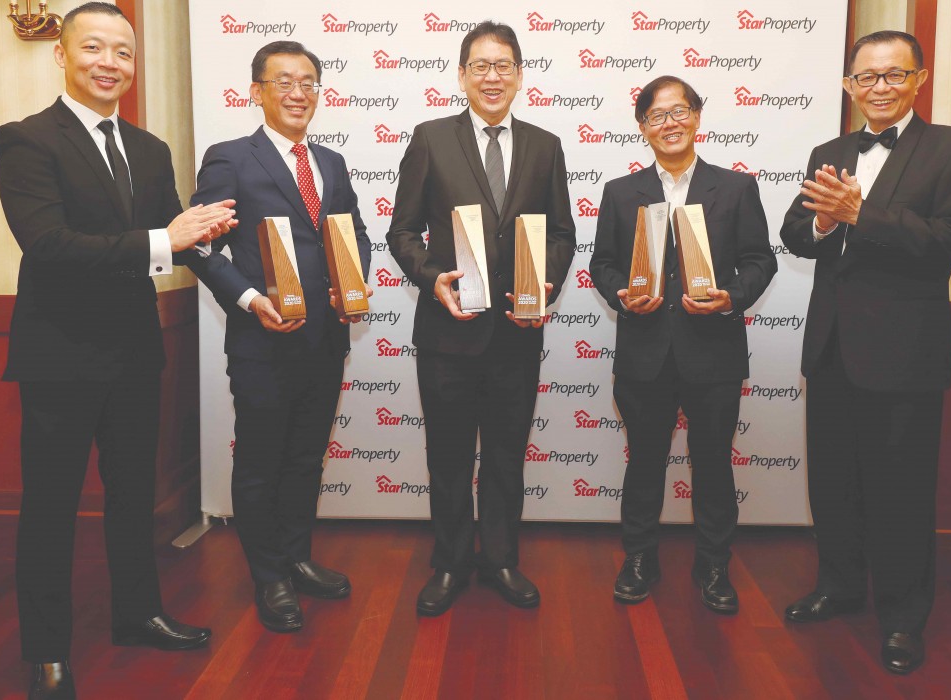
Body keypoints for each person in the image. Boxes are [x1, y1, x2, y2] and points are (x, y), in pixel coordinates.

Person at [0, 3, 236, 698]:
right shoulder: (26, 140)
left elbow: (172, 238)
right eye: (94, 48)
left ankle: (139, 613)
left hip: (134, 352)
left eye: (123, 52)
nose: (110, 62)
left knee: (134, 499)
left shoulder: (151, 149)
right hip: (60, 359)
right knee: (50, 507)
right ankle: (45, 651)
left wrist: (214, 235)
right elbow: (51, 247)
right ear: (61, 56)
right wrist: (171, 240)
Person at [779, 30, 951, 674]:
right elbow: (795, 231)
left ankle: (901, 619)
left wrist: (858, 213)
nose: (879, 87)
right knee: (834, 483)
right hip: (833, 348)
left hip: (905, 354)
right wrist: (821, 220)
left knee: (900, 491)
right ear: (849, 86)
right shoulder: (830, 149)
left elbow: (950, 242)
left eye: (894, 75)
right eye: (865, 77)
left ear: (918, 79)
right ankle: (839, 587)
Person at [386, 21, 575, 615]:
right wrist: (429, 275)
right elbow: (402, 230)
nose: (492, 76)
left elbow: (563, 232)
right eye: (480, 66)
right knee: (447, 454)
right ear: (462, 74)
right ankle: (449, 563)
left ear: (520, 74)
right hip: (448, 330)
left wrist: (545, 284)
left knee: (504, 454)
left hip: (518, 333)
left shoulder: (546, 145)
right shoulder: (430, 138)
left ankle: (499, 558)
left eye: (504, 66)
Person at [187, 40, 370, 635]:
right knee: (262, 460)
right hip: (262, 341)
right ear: (257, 91)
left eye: (309, 82)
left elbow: (353, 234)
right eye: (284, 82)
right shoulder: (230, 158)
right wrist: (248, 298)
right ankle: (267, 576)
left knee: (303, 458)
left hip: (324, 341)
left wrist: (352, 282)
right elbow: (200, 242)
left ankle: (295, 556)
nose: (298, 93)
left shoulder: (333, 164)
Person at [590, 76, 776, 614]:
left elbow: (760, 259)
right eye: (656, 115)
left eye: (679, 111)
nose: (669, 123)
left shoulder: (735, 188)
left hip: (713, 350)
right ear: (642, 127)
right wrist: (622, 295)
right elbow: (602, 264)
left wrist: (730, 297)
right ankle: (640, 558)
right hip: (644, 352)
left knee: (714, 462)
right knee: (643, 461)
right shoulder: (621, 193)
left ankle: (714, 564)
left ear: (697, 117)